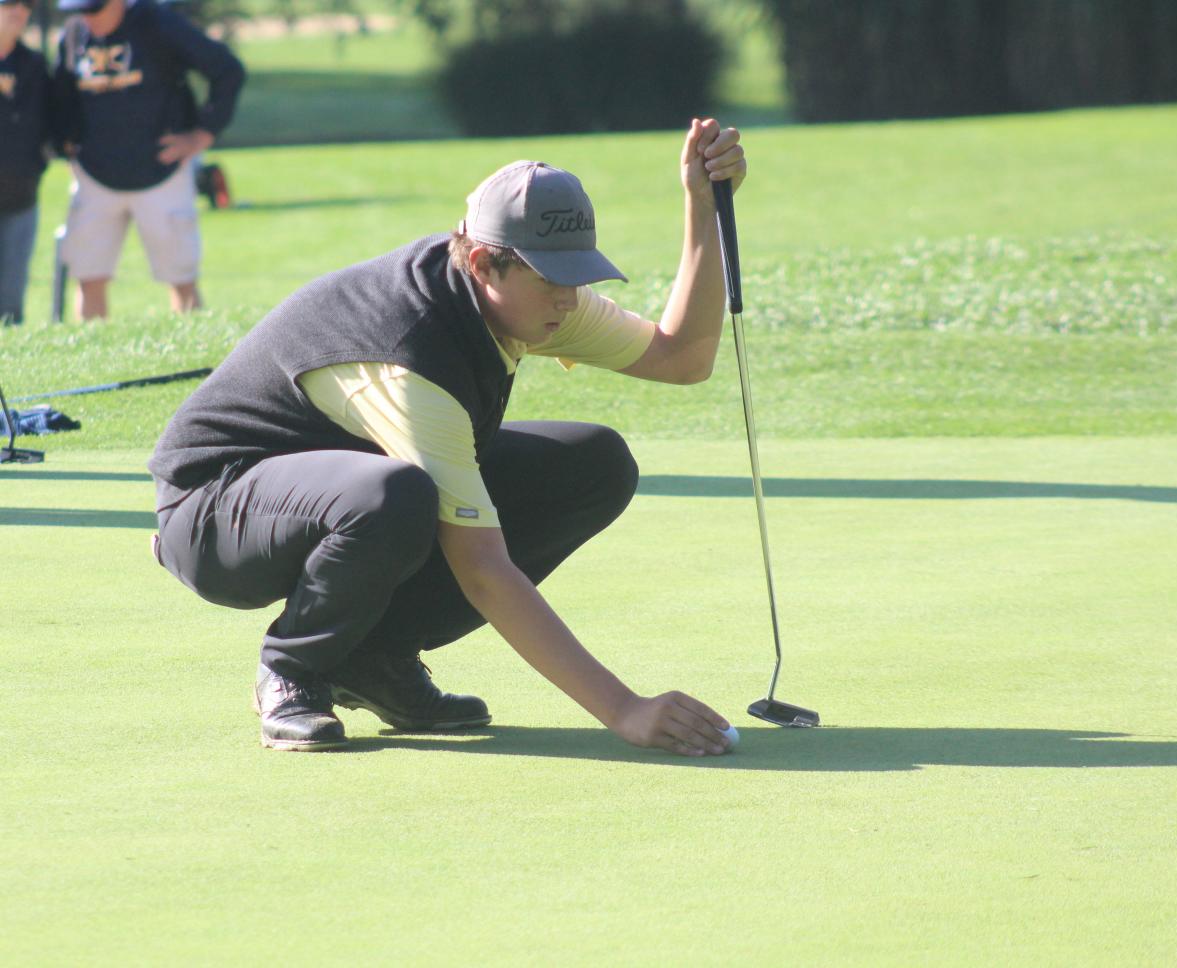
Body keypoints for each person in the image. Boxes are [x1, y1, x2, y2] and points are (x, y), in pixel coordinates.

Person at [149, 118, 747, 756]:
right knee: (393, 494)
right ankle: (293, 670)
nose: (570, 299)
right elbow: (483, 570)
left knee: (593, 465)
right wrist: (624, 710)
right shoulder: (410, 355)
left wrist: (703, 207)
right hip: (216, 514)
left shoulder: (528, 299)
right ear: (487, 262)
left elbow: (681, 358)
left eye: (577, 276)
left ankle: (371, 659)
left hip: (337, 492)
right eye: (552, 279)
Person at [51, 0, 244, 320]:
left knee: (180, 276)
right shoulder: (73, 34)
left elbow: (228, 70)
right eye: (80, 10)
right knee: (88, 275)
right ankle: (95, 354)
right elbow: (61, 94)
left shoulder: (157, 23)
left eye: (95, 9)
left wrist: (202, 135)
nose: (88, 17)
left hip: (161, 172)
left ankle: (191, 351)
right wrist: (65, 143)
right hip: (95, 176)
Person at [0, 0, 50, 326]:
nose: (20, 11)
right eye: (9, 3)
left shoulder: (33, 65)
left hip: (20, 196)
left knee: (10, 302)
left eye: (27, 4)